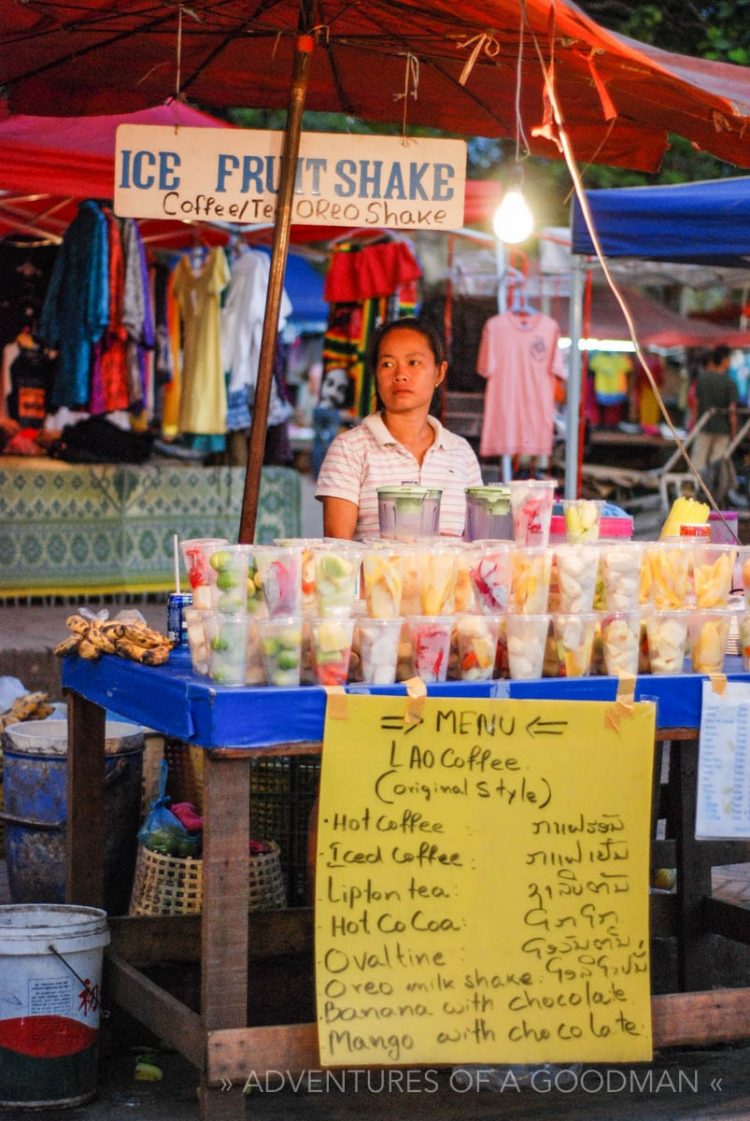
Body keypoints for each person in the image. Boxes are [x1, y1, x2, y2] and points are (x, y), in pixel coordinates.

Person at [316, 317, 482, 538]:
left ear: (439, 372)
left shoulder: (461, 453)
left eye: (413, 363)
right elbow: (338, 553)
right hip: (376, 574)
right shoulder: (350, 449)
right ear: (375, 373)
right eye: (387, 364)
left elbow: (477, 547)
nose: (400, 375)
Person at [691, 345, 739, 504]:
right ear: (724, 361)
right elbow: (732, 411)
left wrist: (693, 425)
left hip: (704, 428)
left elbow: (695, 405)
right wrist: (734, 432)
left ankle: (694, 495)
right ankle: (713, 499)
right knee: (717, 466)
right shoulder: (729, 382)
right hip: (722, 431)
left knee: (698, 464)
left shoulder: (703, 379)